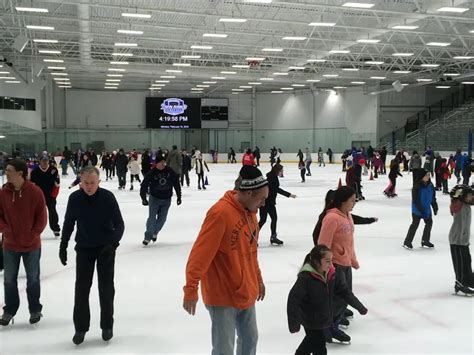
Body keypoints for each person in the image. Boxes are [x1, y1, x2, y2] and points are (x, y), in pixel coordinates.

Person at [183, 165, 268, 355]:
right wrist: (191, 288)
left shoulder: (251, 215)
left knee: (250, 339)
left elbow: (251, 252)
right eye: (261, 198)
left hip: (246, 289)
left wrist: (258, 279)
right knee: (224, 349)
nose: (263, 204)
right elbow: (199, 254)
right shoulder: (220, 213)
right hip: (222, 294)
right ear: (248, 193)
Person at [59, 166, 124, 345]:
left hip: (105, 249)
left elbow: (119, 224)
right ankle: (80, 328)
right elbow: (69, 223)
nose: (89, 186)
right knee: (81, 290)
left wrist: (113, 244)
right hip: (84, 249)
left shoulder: (107, 197)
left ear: (99, 182)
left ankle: (107, 326)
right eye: (85, 183)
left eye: (92, 183)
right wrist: (63, 245)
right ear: (80, 182)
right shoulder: (75, 198)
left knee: (106, 289)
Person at [287, 245, 368, 354]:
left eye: (331, 260)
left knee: (310, 342)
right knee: (319, 347)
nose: (330, 264)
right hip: (310, 320)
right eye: (327, 261)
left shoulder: (332, 274)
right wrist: (293, 323)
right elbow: (293, 300)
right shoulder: (306, 278)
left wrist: (359, 307)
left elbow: (345, 292)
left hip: (323, 318)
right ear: (316, 262)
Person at [0, 159, 47, 326]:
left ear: (20, 173)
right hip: (10, 245)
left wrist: (33, 234)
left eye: (9, 170)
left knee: (33, 279)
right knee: (9, 280)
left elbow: (42, 217)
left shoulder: (35, 192)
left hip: (31, 245)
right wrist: (5, 229)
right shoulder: (3, 192)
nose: (6, 173)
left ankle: (35, 309)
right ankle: (9, 310)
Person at [317, 186, 359, 343]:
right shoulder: (332, 218)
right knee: (339, 298)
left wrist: (352, 259)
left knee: (344, 297)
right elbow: (323, 244)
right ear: (342, 201)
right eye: (352, 200)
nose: (354, 203)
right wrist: (326, 266)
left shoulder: (347, 216)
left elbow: (350, 242)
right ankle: (328, 328)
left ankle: (333, 323)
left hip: (345, 263)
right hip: (334, 264)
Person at [312, 189, 378, 246]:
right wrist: (322, 254)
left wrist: (370, 220)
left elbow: (356, 219)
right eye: (352, 201)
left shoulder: (345, 215)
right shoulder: (330, 217)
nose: (354, 203)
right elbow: (316, 235)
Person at [140, 155, 181, 245]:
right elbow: (144, 185)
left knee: (162, 219)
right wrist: (143, 198)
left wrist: (179, 196)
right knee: (152, 218)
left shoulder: (169, 171)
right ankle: (148, 236)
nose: (163, 164)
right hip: (154, 199)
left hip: (166, 199)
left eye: (164, 162)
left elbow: (176, 183)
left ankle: (155, 232)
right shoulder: (152, 173)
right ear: (156, 164)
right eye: (161, 162)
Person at [259, 164, 296, 245]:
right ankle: (272, 237)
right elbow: (277, 189)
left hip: (264, 202)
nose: (282, 172)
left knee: (263, 220)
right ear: (277, 170)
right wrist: (289, 195)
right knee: (272, 219)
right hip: (268, 202)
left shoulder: (271, 176)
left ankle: (253, 237)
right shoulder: (273, 178)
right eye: (281, 170)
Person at [403, 169, 438, 250]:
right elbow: (416, 200)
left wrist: (435, 206)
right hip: (417, 209)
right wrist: (421, 210)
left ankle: (425, 240)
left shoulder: (430, 185)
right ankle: (407, 241)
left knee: (429, 223)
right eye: (426, 175)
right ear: (421, 176)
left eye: (428, 175)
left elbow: (432, 197)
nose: (428, 177)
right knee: (415, 225)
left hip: (426, 209)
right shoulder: (417, 186)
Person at [448, 185, 474, 296]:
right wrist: (456, 196)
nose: (471, 197)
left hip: (463, 240)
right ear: (461, 196)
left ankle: (469, 280)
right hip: (457, 240)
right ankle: (460, 282)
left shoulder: (466, 206)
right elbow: (454, 204)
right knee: (460, 263)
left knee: (467, 260)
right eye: (469, 196)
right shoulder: (458, 205)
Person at [30, 156, 61, 237]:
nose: (45, 163)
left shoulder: (53, 170)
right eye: (43, 161)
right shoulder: (35, 172)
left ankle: (55, 228)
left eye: (46, 161)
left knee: (52, 211)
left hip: (50, 196)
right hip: (38, 196)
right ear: (40, 162)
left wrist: (54, 194)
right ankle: (35, 229)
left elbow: (57, 184)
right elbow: (32, 185)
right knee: (37, 213)